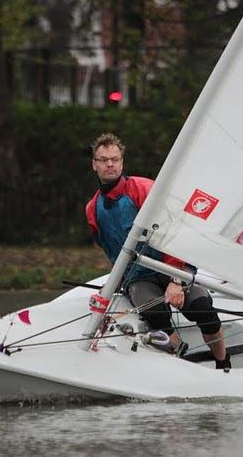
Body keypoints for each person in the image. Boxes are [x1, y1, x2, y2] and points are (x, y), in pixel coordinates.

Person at [85, 133, 231, 370]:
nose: (109, 164)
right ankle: (181, 362)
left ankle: (224, 364)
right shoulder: (93, 209)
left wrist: (176, 280)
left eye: (114, 159)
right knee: (155, 314)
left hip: (172, 266)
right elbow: (112, 252)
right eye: (103, 160)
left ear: (122, 162)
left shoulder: (144, 189)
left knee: (204, 311)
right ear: (95, 164)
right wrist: (113, 282)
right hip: (140, 278)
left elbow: (176, 231)